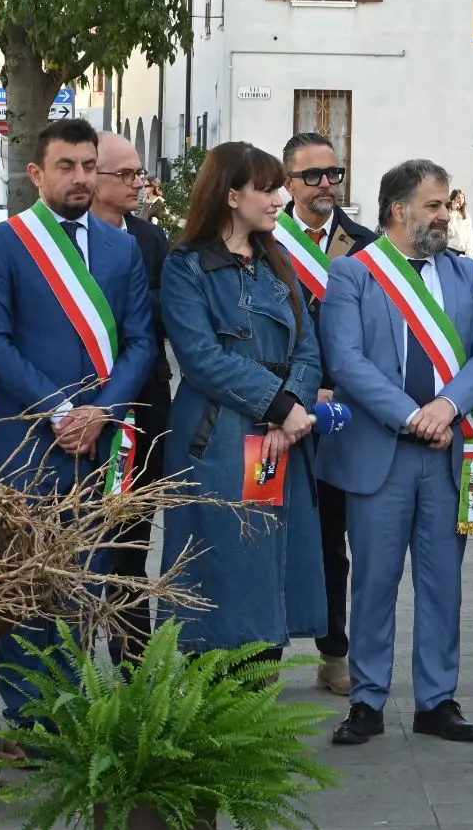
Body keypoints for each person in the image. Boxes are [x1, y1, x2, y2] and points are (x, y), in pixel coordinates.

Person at [0, 118, 156, 724]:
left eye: (87, 165)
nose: (80, 177)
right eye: (66, 167)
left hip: (97, 444)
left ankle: (72, 713)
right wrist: (61, 410)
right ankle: (29, 719)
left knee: (85, 586)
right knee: (26, 588)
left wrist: (103, 411)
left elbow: (142, 344)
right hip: (27, 445)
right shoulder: (5, 243)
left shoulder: (123, 247)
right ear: (35, 174)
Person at [321, 160, 473, 745]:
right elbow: (346, 361)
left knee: (441, 580)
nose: (445, 216)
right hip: (382, 449)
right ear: (398, 210)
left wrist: (445, 408)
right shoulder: (354, 274)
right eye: (433, 206)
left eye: (446, 205)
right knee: (373, 580)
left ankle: (437, 699)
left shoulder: (466, 274)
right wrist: (410, 415)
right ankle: (367, 699)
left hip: (446, 449)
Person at [159, 142, 325, 659]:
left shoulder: (278, 262)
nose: (280, 198)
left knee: (270, 560)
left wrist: (289, 412)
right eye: (267, 187)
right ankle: (215, 710)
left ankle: (259, 696)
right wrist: (280, 407)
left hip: (279, 437)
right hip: (219, 439)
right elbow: (202, 359)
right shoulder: (185, 267)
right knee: (224, 565)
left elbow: (307, 346)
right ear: (232, 195)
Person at [277, 131, 376, 696]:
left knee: (338, 537)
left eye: (333, 174)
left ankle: (335, 650)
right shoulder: (266, 241)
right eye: (312, 176)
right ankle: (263, 648)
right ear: (288, 181)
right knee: (275, 534)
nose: (325, 186)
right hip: (278, 408)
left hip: (344, 412)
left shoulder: (363, 245)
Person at [91, 132, 173, 664]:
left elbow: (166, 315)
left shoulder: (150, 240)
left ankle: (132, 664)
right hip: (74, 415)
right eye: (125, 175)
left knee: (131, 546)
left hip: (141, 411)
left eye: (139, 173)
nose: (138, 183)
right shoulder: (58, 243)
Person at [447, 188, 473, 255]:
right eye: (458, 197)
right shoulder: (448, 213)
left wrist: (469, 253)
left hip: (462, 252)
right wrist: (453, 212)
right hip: (450, 250)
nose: (461, 200)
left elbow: (469, 237)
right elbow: (449, 233)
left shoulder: (467, 216)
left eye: (462, 197)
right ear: (453, 199)